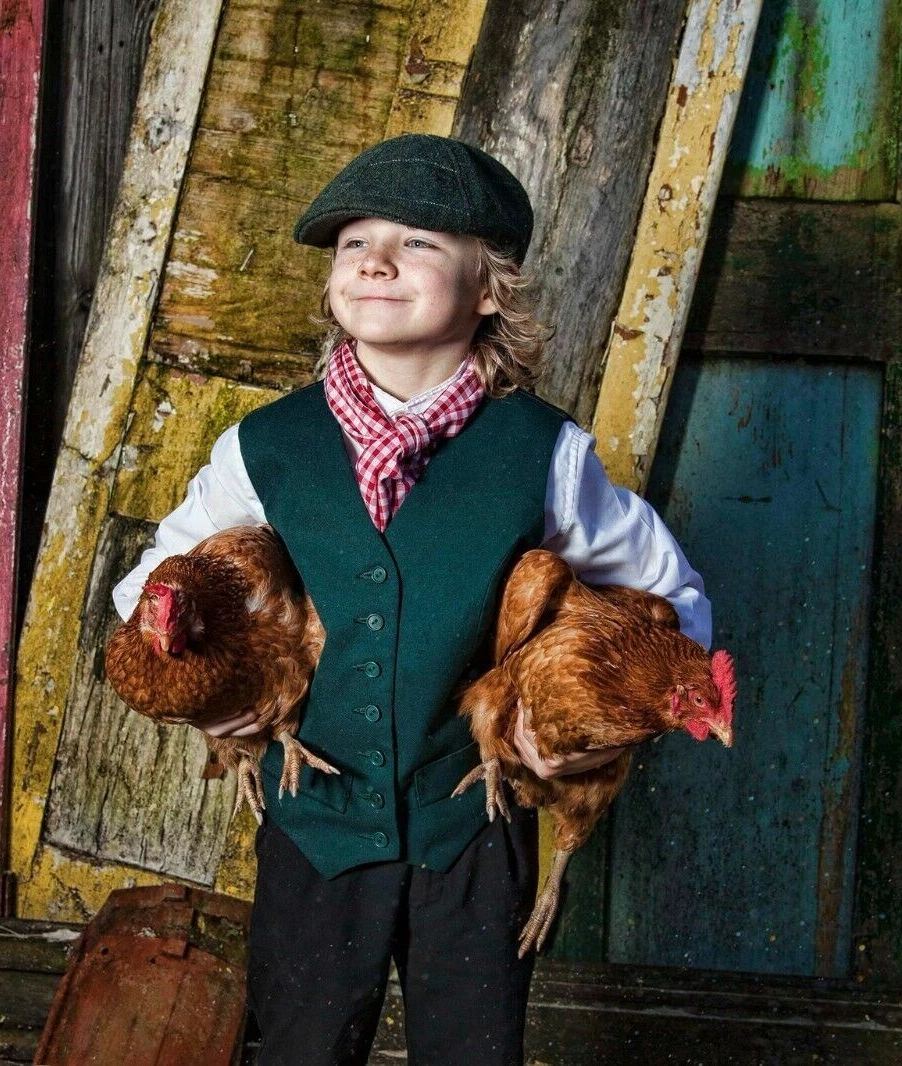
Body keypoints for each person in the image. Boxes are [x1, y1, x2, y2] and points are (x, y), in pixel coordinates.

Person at [111, 133, 711, 1065]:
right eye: (355, 242)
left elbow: (673, 602)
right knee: (301, 1047)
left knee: (472, 1050)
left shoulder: (543, 454)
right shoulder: (266, 447)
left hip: (472, 827)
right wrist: (208, 692)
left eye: (418, 242)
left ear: (489, 289)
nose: (377, 260)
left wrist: (585, 732)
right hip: (315, 825)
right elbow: (147, 586)